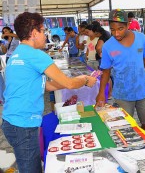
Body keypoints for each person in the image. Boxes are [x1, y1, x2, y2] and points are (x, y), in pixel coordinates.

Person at [1, 12, 97, 173]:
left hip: (12, 121)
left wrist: (68, 83)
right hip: (23, 125)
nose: (45, 35)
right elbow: (70, 83)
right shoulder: (35, 55)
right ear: (33, 33)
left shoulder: (18, 53)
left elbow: (45, 86)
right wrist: (86, 79)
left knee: (31, 165)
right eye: (43, 31)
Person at [95, 9, 145, 134]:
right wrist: (101, 93)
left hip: (143, 91)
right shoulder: (108, 46)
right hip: (122, 94)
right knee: (125, 128)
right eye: (112, 29)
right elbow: (105, 71)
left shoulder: (140, 38)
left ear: (128, 25)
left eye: (120, 29)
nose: (116, 33)